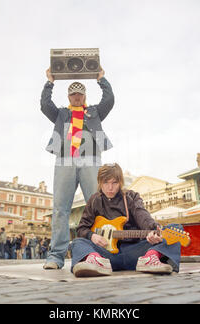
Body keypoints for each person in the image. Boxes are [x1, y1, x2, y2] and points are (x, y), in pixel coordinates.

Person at [41, 67, 115, 270]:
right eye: (73, 94)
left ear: (84, 96)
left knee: (97, 206)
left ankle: (98, 253)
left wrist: (102, 78)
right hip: (65, 160)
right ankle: (55, 256)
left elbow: (109, 100)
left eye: (80, 94)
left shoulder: (94, 112)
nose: (76, 97)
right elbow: (45, 104)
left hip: (90, 159)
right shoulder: (61, 113)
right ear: (69, 96)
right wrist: (49, 82)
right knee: (60, 208)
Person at [71, 163, 182, 277]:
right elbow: (82, 228)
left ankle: (149, 258)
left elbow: (142, 215)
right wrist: (92, 236)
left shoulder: (131, 196)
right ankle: (95, 261)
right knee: (77, 243)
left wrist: (153, 230)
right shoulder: (94, 200)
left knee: (175, 230)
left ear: (120, 182)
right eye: (105, 182)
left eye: (114, 182)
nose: (110, 188)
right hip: (106, 256)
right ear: (100, 183)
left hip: (135, 253)